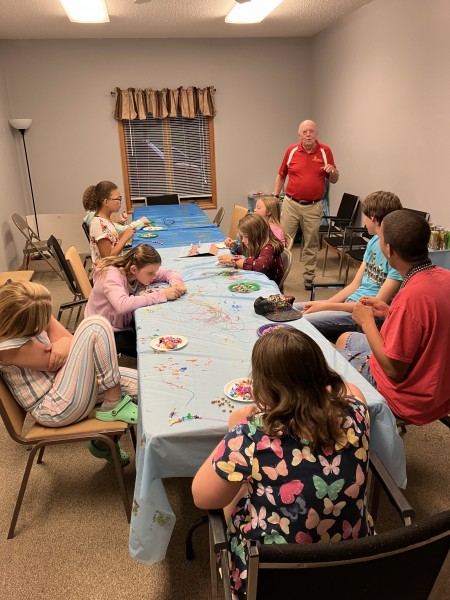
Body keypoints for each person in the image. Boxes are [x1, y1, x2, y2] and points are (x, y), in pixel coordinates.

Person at [192, 328, 372, 598]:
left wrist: (234, 430)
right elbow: (350, 389)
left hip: (270, 574)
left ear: (264, 390)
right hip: (350, 561)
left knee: (234, 493)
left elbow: (202, 497)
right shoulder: (357, 413)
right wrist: (312, 382)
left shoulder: (251, 435)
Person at [0, 282, 139, 466]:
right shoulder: (7, 348)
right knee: (95, 325)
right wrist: (64, 344)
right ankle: (114, 403)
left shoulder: (31, 312)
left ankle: (103, 444)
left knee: (145, 386)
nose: (46, 320)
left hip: (65, 384)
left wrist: (63, 344)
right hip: (53, 406)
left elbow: (70, 342)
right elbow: (56, 361)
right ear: (23, 323)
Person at [335, 210, 450, 426]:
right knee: (345, 339)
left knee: (328, 367)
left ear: (389, 250)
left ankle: (364, 431)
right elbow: (430, 324)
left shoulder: (410, 297)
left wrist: (367, 322)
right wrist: (390, 312)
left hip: (408, 397)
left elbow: (393, 371)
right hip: (438, 388)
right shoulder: (444, 276)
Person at [297, 191, 403, 342]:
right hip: (350, 304)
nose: (364, 221)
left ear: (372, 217)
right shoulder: (373, 242)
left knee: (299, 322)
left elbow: (374, 308)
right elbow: (354, 285)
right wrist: (325, 304)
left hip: (363, 315)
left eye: (365, 217)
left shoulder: (395, 255)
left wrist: (325, 307)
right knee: (292, 308)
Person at [85, 244, 187, 358]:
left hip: (121, 323)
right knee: (154, 350)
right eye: (150, 273)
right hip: (105, 332)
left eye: (155, 272)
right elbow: (122, 305)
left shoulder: (137, 271)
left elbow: (169, 273)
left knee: (159, 330)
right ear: (134, 269)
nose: (154, 276)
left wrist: (177, 283)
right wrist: (162, 294)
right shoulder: (111, 275)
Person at [273, 119, 339, 290]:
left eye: (311, 131)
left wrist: (333, 172)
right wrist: (275, 195)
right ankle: (276, 273)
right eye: (305, 132)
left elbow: (334, 179)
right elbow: (281, 175)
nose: (308, 134)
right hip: (291, 203)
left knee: (311, 242)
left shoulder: (325, 151)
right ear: (299, 135)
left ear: (317, 133)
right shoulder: (291, 151)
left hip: (314, 205)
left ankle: (309, 277)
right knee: (282, 240)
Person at [83, 181, 146, 268]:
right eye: (117, 199)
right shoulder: (98, 224)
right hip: (107, 274)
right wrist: (125, 237)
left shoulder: (106, 220)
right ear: (106, 202)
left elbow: (113, 242)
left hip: (115, 267)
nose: (120, 201)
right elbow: (108, 258)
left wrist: (126, 233)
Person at [218, 213, 284, 286]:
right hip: (257, 279)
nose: (243, 240)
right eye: (242, 237)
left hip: (268, 285)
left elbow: (259, 266)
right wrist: (234, 246)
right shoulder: (257, 243)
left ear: (256, 235)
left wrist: (234, 261)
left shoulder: (269, 247)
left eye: (245, 237)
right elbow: (244, 251)